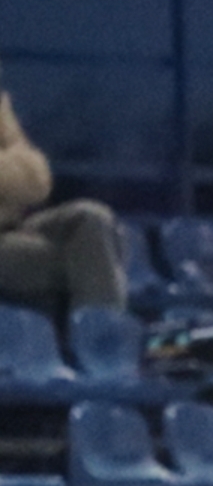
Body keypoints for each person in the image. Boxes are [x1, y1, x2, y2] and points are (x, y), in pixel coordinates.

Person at [0, 72, 127, 316]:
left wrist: (15, 173)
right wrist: (13, 168)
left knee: (92, 218)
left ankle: (99, 330)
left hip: (15, 227)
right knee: (94, 259)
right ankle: (98, 332)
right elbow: (24, 169)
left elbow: (37, 179)